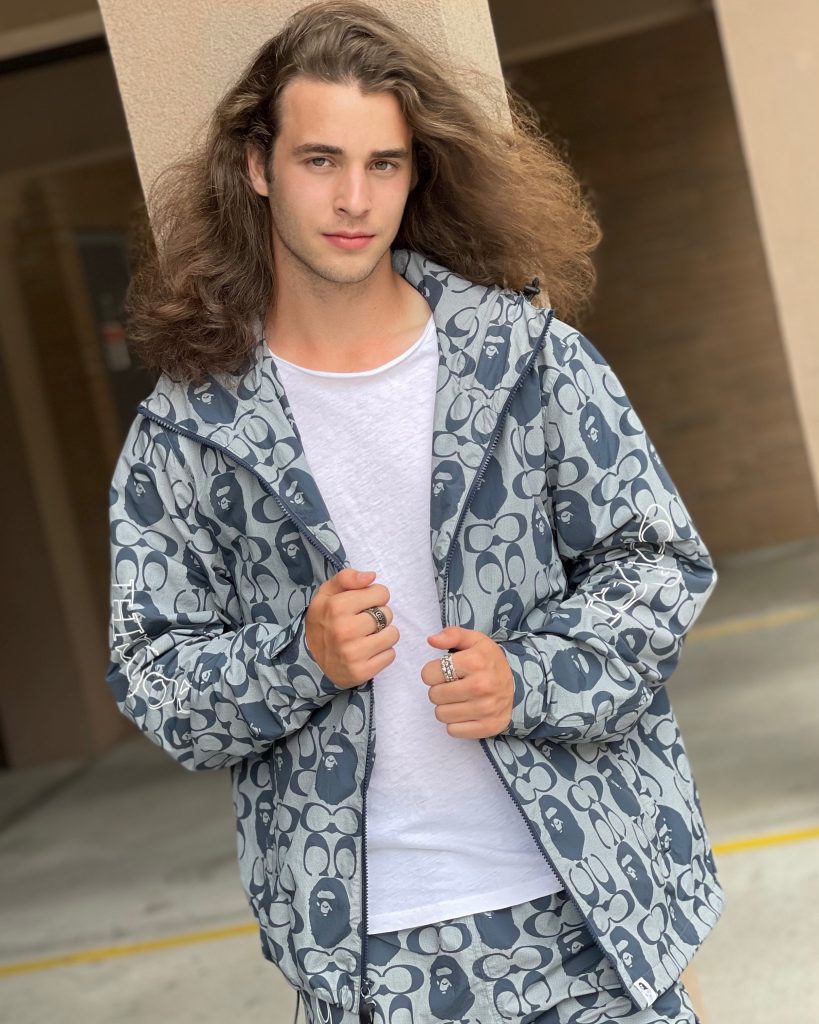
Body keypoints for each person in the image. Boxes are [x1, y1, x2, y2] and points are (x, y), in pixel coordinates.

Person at [106, 3, 723, 1023]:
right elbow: (154, 673)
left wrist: (532, 673)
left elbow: (658, 561)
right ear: (257, 166)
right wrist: (296, 657)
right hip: (366, 955)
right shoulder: (189, 430)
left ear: (414, 173)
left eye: (383, 164)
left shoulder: (526, 357)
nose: (354, 199)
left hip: (593, 911)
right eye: (320, 161)